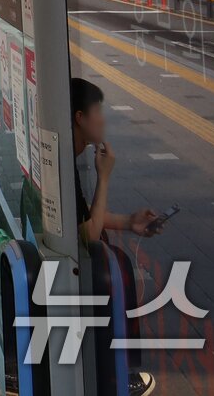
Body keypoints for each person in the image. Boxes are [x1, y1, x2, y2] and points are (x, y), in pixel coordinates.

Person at [72, 78, 160, 396]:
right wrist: (104, 177)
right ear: (80, 117)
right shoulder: (66, 163)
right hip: (67, 271)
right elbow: (88, 234)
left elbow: (82, 219)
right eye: (98, 111)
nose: (103, 119)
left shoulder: (63, 153)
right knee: (112, 268)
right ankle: (118, 376)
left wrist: (129, 222)